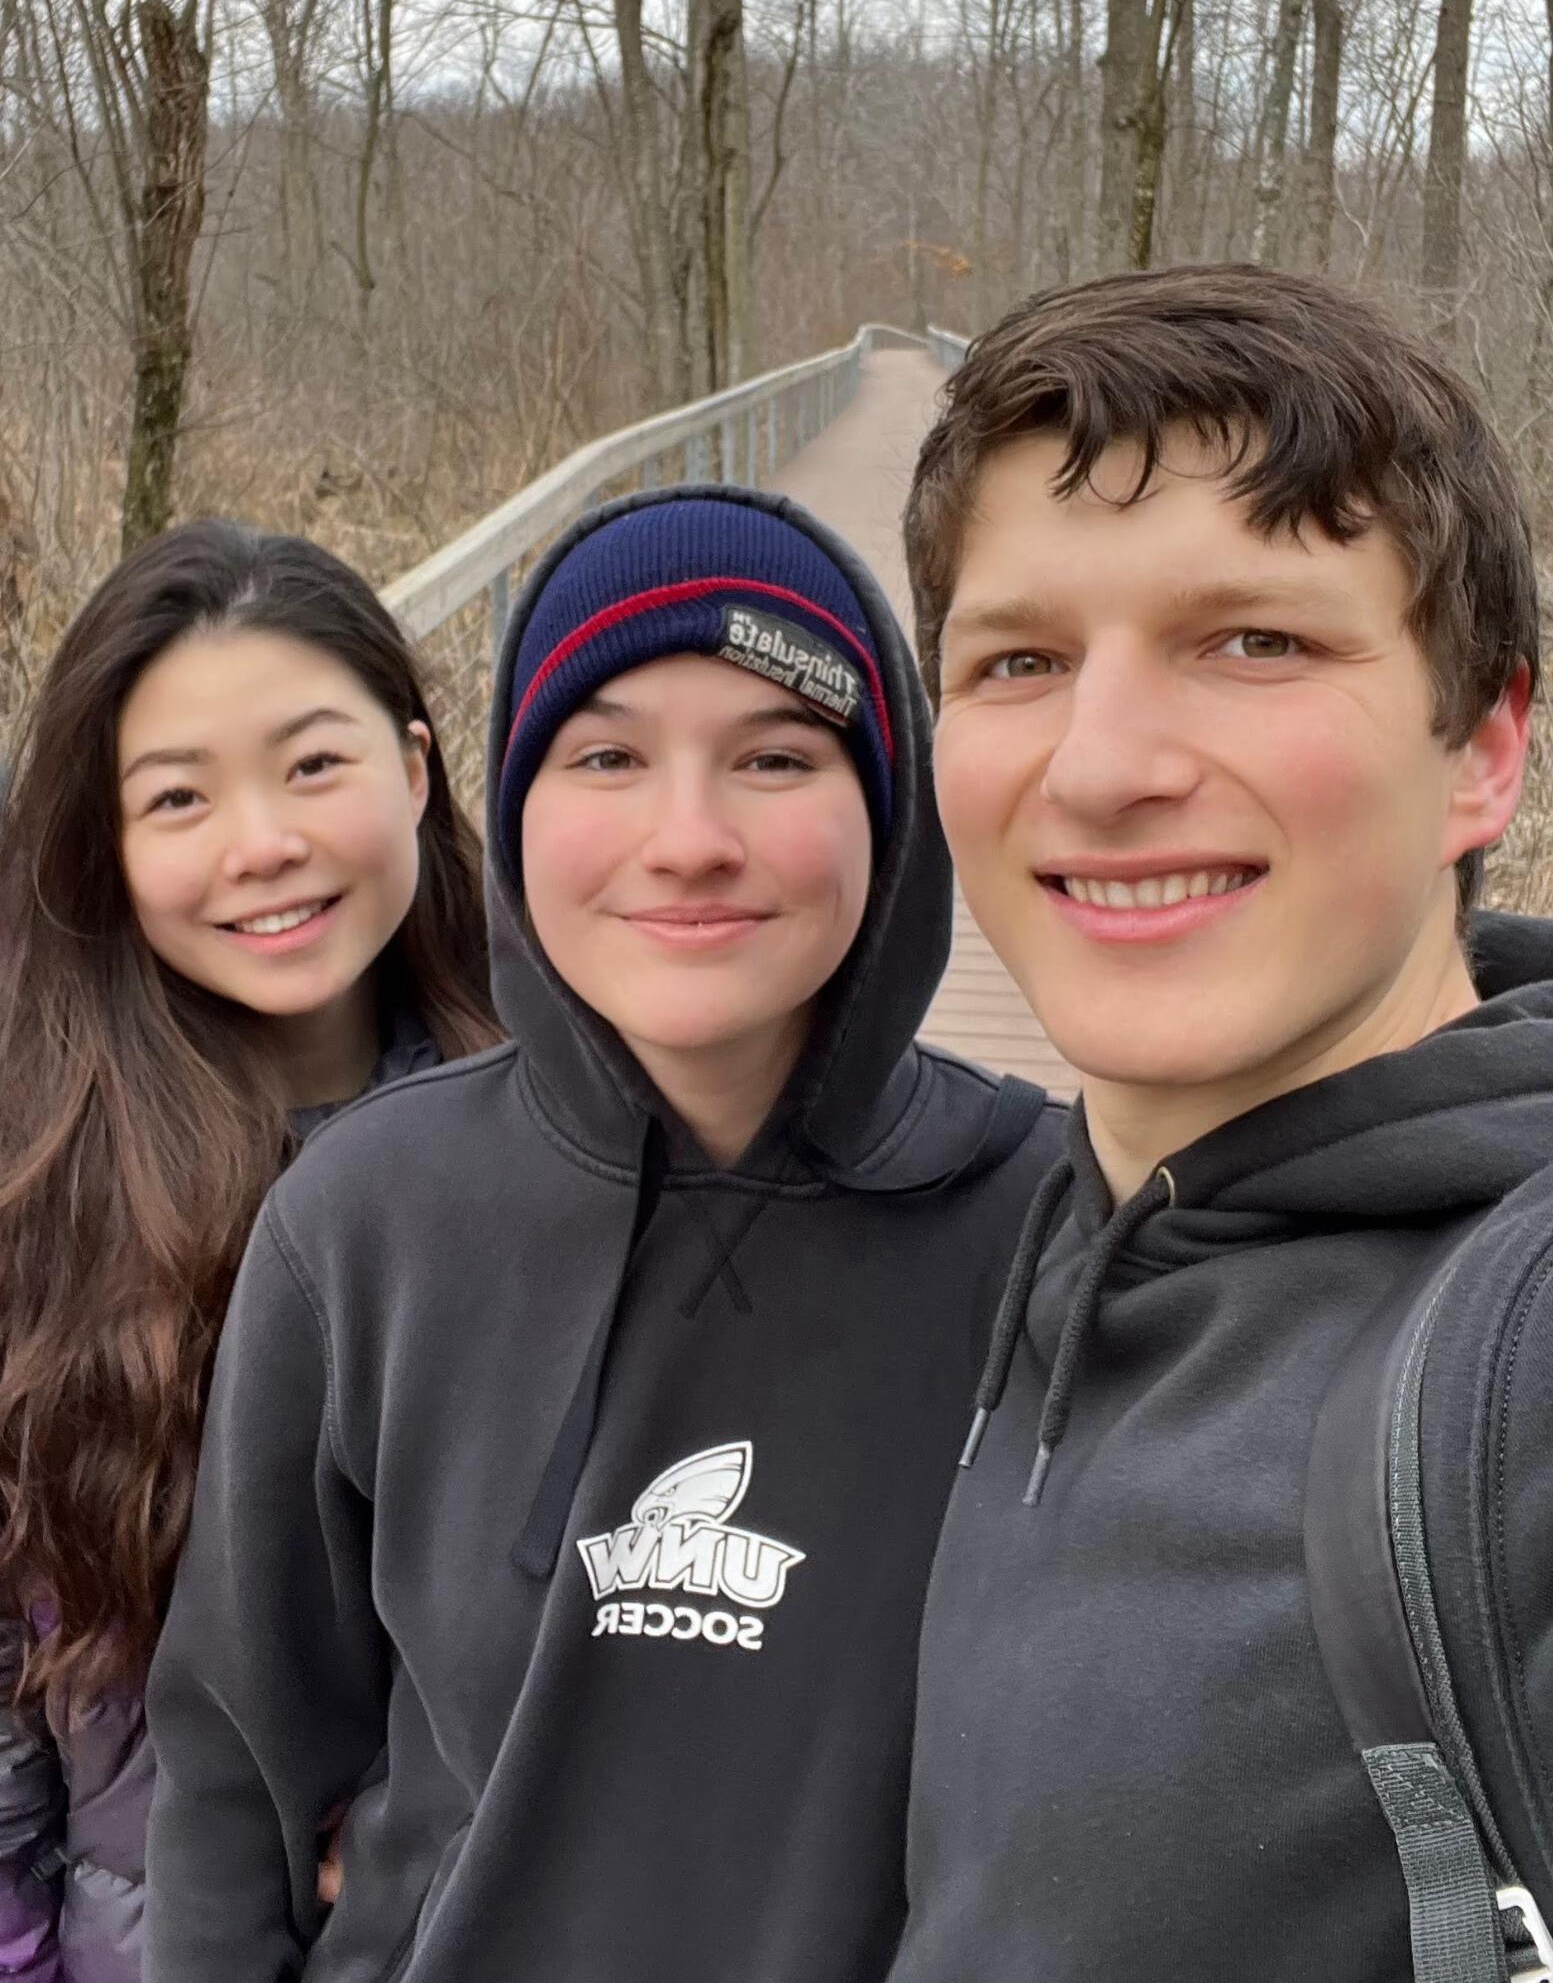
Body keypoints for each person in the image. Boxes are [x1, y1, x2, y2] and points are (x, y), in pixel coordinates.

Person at [142, 485, 1056, 1983]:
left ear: (894, 808)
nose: (688, 841)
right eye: (608, 756)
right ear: (511, 809)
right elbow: (233, 1773)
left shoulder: (1048, 1223)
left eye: (777, 756)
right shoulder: (365, 1221)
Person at [883, 264, 1553, 1983]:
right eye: (1020, 660)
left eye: (1253, 642)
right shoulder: (1049, 1234)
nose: (1099, 766)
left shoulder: (1522, 1359)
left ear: (1481, 749)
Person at [0, 520, 497, 1983]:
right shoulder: (37, 1193)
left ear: (415, 769)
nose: (261, 843)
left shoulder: (573, 1140)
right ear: (107, 845)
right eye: (178, 796)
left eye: (313, 765)